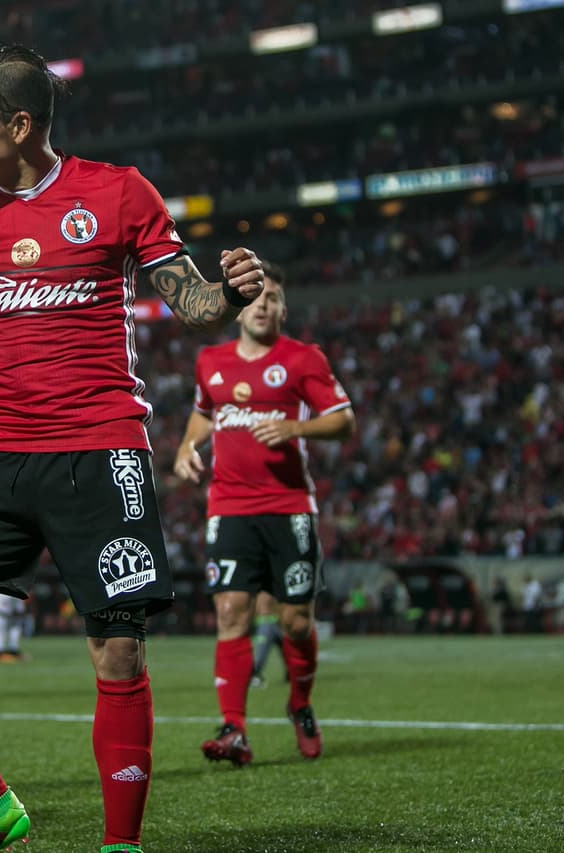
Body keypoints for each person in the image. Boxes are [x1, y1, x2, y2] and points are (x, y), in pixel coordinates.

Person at [0, 43, 264, 853]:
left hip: (99, 449)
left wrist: (230, 291)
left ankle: (120, 846)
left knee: (116, 650)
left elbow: (190, 301)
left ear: (17, 125)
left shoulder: (117, 192)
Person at [173, 262, 355, 766]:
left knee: (295, 621)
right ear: (238, 308)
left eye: (272, 297)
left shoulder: (302, 359)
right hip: (229, 506)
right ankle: (234, 728)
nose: (262, 304)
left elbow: (343, 421)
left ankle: (300, 703)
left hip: (289, 506)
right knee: (231, 612)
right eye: (255, 296)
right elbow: (204, 413)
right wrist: (187, 447)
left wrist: (295, 429)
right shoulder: (210, 360)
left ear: (282, 310)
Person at [249, 590, 284, 688]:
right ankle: (254, 677)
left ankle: (291, 675)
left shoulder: (257, 591)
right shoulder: (261, 591)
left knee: (289, 651)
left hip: (274, 622)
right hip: (265, 623)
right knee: (260, 655)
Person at [0, 593, 28, 663]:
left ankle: (13, 653)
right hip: (0, 615)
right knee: (0, 635)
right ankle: (0, 655)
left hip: (12, 615)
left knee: (14, 634)